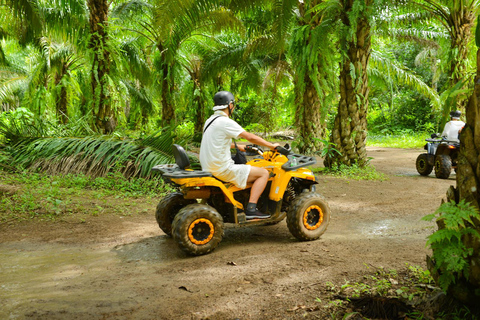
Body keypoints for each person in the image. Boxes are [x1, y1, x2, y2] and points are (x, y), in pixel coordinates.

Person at [199, 91, 280, 220]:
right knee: (263, 173)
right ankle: (252, 208)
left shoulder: (210, 121)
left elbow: (216, 141)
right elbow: (249, 136)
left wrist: (238, 147)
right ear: (230, 105)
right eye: (233, 105)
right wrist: (271, 146)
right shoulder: (225, 121)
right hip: (222, 169)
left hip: (208, 167)